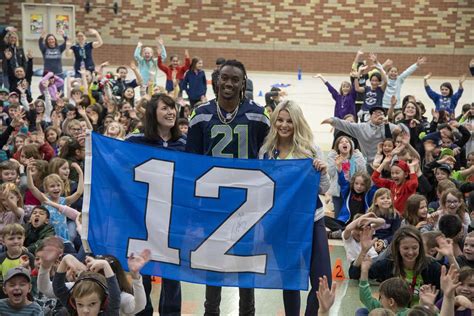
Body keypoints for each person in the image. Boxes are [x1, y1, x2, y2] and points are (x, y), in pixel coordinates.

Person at [186, 59, 270, 315]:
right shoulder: (201, 114)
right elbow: (191, 161)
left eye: (235, 79)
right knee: (214, 264)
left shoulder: (258, 115)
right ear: (216, 80)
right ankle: (211, 312)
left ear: (243, 83)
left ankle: (248, 312)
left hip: (247, 202)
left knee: (246, 264)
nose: (229, 83)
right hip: (213, 202)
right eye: (225, 78)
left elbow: (268, 160)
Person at [258, 100, 331, 315]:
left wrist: (323, 170)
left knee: (322, 280)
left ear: (297, 122)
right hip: (281, 224)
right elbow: (262, 188)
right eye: (280, 120)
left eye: (289, 121)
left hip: (312, 221)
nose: (284, 125)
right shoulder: (266, 151)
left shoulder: (310, 149)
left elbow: (324, 187)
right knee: (289, 280)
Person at [126, 93, 186, 315]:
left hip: (174, 221)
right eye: (165, 108)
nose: (171, 112)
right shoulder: (135, 142)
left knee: (172, 277)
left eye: (173, 108)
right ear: (153, 113)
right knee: (142, 271)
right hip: (142, 219)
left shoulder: (185, 145)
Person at [321, 106, 401, 165]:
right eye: (375, 113)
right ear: (370, 116)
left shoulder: (387, 125)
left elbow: (399, 130)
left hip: (386, 162)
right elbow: (348, 125)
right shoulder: (362, 127)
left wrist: (387, 123)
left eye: (380, 113)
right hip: (368, 163)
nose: (378, 115)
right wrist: (332, 121)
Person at [53, 254, 121, 316]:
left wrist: (105, 265)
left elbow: (115, 297)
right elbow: (58, 289)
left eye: (92, 304)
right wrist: (65, 260)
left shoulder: (108, 314)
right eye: (80, 304)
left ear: (102, 303)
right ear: (74, 304)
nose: (85, 311)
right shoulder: (74, 311)